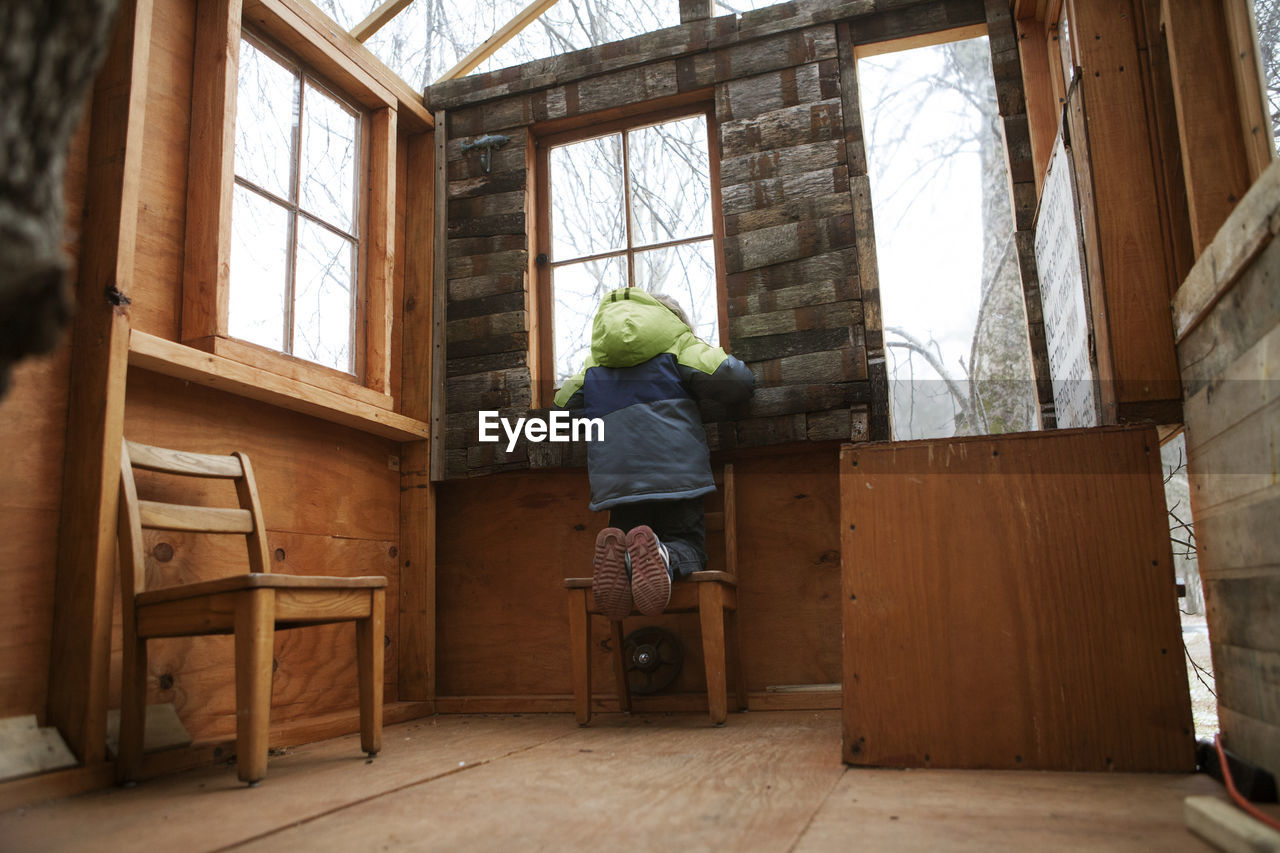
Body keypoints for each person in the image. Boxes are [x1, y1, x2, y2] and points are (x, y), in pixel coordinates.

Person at [554, 288, 755, 621]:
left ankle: (621, 559)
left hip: (617, 487)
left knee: (626, 541)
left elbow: (561, 407)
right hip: (675, 477)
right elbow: (737, 383)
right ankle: (665, 555)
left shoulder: (596, 364)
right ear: (672, 320)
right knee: (687, 545)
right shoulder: (678, 344)